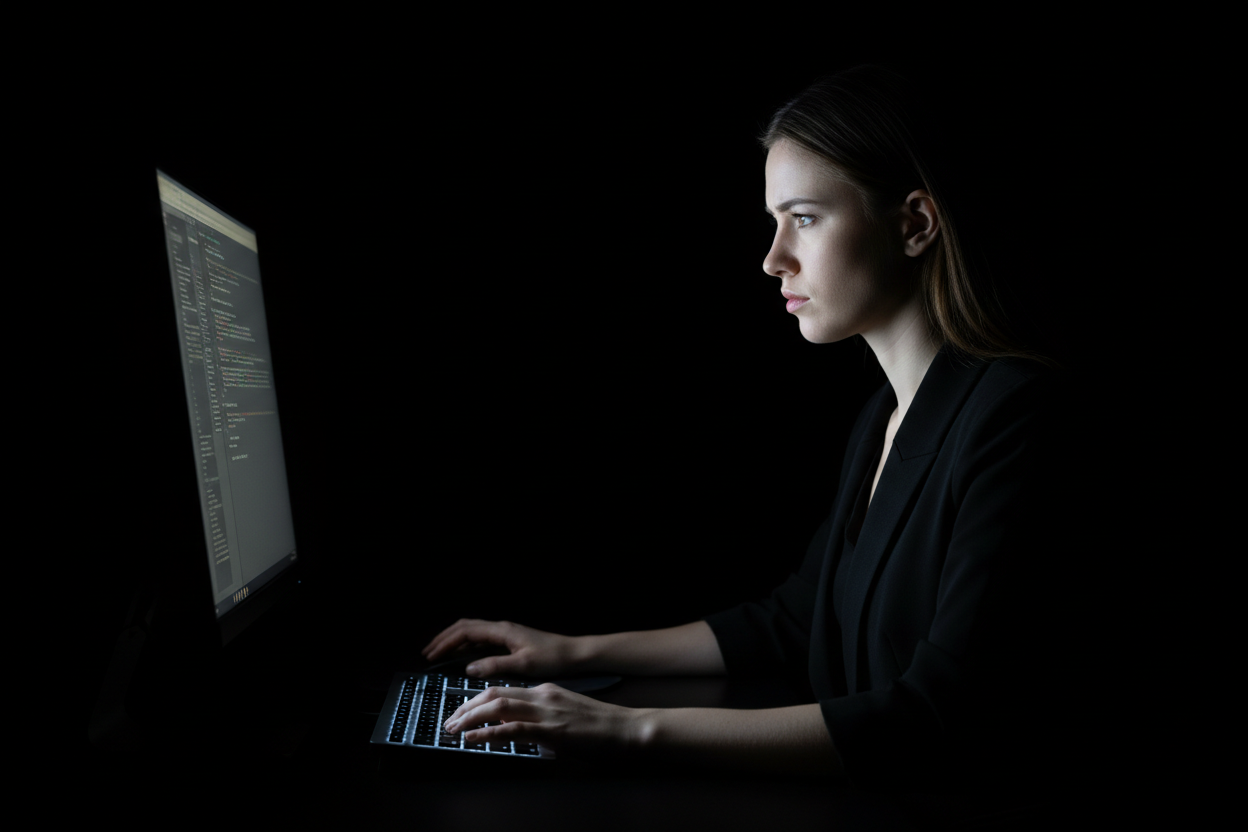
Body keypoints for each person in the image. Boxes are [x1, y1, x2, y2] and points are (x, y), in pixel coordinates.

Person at [423, 65, 1081, 790]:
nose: (773, 260)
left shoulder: (1016, 414)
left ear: (915, 223)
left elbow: (934, 713)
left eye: (803, 218)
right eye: (775, 222)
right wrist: (571, 653)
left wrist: (620, 726)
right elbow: (794, 622)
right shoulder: (884, 418)